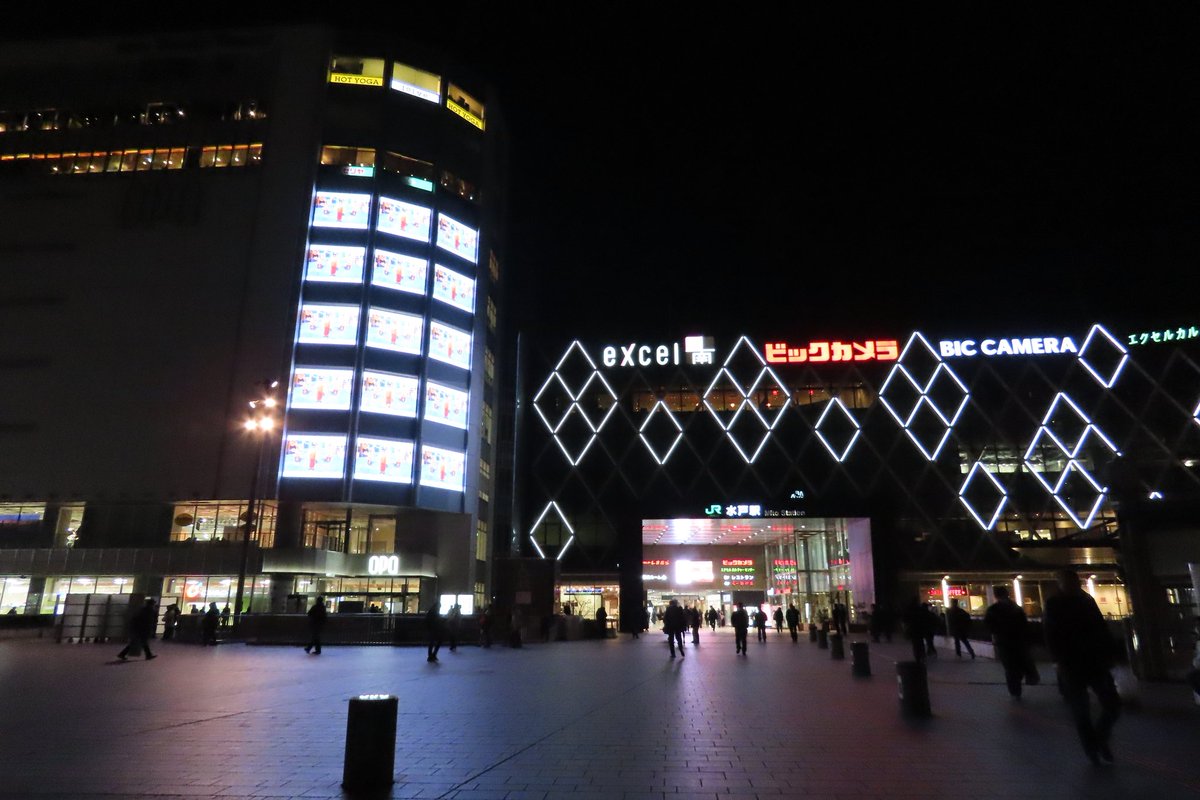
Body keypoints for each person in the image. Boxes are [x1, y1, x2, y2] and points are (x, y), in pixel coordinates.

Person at [1044, 568, 1121, 764]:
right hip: (1074, 662)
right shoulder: (1058, 604)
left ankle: (1097, 741)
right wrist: (1058, 660)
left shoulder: (1085, 600)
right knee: (1082, 708)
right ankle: (1093, 747)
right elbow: (1052, 634)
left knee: (1109, 705)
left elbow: (1100, 628)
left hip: (1089, 661)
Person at [984, 585, 1035, 698]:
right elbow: (1024, 624)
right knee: (1018, 663)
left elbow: (989, 625)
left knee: (1009, 667)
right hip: (1017, 641)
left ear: (996, 596)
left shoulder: (993, 610)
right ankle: (1018, 682)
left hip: (1003, 642)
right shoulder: (1016, 608)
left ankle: (1015, 690)